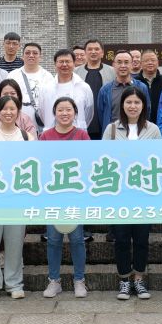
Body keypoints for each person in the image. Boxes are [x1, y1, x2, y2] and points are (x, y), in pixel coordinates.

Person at [102, 87, 159, 299]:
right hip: (120, 193)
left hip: (144, 192)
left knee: (142, 238)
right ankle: (124, 280)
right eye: (129, 102)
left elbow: (158, 159)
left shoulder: (153, 130)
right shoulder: (111, 129)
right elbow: (103, 158)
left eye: (137, 102)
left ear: (143, 105)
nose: (132, 106)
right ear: (122, 105)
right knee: (122, 239)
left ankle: (139, 279)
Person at [0, 96, 35, 300]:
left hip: (17, 197)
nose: (8, 112)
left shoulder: (27, 137)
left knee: (15, 242)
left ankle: (14, 283)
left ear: (18, 111)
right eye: (4, 109)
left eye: (12, 109)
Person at [40, 97, 91, 298]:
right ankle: (54, 280)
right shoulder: (46, 136)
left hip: (75, 195)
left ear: (75, 113)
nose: (64, 113)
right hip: (53, 195)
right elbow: (41, 163)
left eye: (68, 109)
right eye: (60, 110)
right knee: (53, 239)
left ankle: (79, 280)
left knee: (77, 239)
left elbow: (89, 162)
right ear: (54, 113)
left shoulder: (82, 135)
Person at [38, 49, 94, 131]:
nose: (64, 64)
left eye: (68, 61)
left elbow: (89, 113)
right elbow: (42, 112)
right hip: (51, 133)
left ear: (74, 64)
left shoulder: (84, 87)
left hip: (77, 133)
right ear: (55, 64)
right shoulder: (45, 88)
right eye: (61, 61)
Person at [96, 50, 149, 132]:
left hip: (136, 133)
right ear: (114, 65)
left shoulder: (141, 87)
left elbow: (147, 111)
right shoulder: (105, 90)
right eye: (119, 62)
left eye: (126, 62)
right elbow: (101, 115)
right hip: (113, 134)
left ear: (132, 65)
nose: (123, 66)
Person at [10, 42, 55, 135]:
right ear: (22, 56)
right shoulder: (13, 75)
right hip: (17, 120)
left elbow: (51, 102)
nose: (31, 55)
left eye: (35, 53)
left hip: (41, 121)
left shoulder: (47, 76)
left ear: (40, 57)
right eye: (27, 53)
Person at [75, 39, 115, 140]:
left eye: (97, 49)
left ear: (102, 53)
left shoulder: (112, 71)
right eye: (90, 49)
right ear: (85, 53)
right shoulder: (75, 72)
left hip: (106, 120)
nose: (93, 52)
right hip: (82, 121)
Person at [134, 49, 162, 125]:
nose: (150, 63)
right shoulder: (135, 82)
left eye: (153, 60)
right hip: (139, 124)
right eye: (146, 61)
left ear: (158, 63)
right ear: (141, 64)